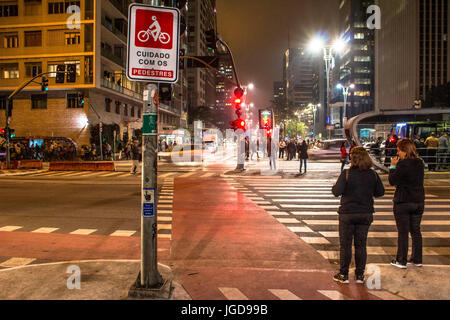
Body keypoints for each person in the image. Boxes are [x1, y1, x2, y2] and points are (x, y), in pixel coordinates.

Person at [332, 147, 385, 284]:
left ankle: (344, 274)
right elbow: (380, 192)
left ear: (352, 158)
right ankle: (360, 275)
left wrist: (337, 186)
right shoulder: (372, 174)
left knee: (346, 245)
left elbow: (336, 191)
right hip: (365, 213)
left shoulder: (347, 173)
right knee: (361, 245)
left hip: (347, 214)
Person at [389, 139, 425, 269]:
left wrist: (393, 166)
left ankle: (401, 260)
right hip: (418, 201)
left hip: (403, 201)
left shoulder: (403, 165)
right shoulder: (419, 163)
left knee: (403, 232)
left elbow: (392, 181)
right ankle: (417, 259)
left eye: (399, 150)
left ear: (404, 151)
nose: (398, 153)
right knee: (416, 230)